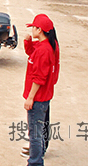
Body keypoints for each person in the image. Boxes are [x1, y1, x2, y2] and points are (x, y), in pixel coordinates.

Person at [22, 14, 60, 166]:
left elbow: (39, 78)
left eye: (33, 27)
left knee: (35, 134)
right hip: (42, 97)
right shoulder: (42, 46)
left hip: (38, 98)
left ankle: (35, 162)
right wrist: (27, 42)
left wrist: (30, 98)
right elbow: (32, 54)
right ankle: (37, 154)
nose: (31, 30)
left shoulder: (44, 50)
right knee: (38, 130)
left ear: (40, 30)